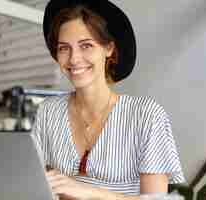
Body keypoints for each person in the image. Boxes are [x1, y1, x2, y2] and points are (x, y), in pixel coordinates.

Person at [31, 0, 185, 199]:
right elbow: (31, 184)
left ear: (109, 48)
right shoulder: (48, 112)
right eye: (63, 48)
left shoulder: (146, 115)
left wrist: (87, 191)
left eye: (86, 45)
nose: (74, 59)